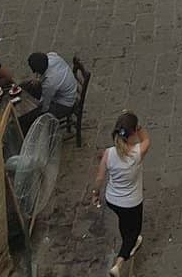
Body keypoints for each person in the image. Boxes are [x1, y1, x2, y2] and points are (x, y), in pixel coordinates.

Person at [91, 112, 150, 274]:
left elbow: (99, 178)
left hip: (113, 200)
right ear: (133, 132)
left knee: (124, 222)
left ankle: (127, 240)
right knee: (134, 232)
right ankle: (119, 264)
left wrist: (95, 194)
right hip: (132, 202)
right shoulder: (138, 153)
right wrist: (139, 127)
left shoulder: (108, 153)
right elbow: (146, 139)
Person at [20, 50, 78, 132]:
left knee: (31, 116)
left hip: (65, 104)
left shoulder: (50, 83)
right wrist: (38, 79)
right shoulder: (52, 57)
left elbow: (45, 106)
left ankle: (28, 131)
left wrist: (34, 107)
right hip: (66, 88)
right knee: (25, 86)